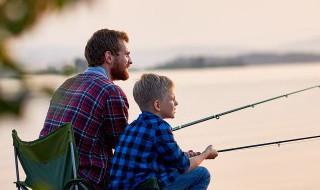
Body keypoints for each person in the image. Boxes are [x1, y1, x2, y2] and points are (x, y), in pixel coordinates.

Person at [39, 29, 132, 189]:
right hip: (85, 183)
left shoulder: (66, 85)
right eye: (126, 54)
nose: (130, 61)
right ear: (109, 57)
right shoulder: (110, 92)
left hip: (51, 180)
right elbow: (125, 150)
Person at [109, 73, 218, 190]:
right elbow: (184, 166)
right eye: (172, 99)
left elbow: (158, 158)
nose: (176, 103)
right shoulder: (160, 127)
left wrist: (185, 155)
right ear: (157, 105)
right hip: (143, 187)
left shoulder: (132, 127)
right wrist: (205, 154)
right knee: (202, 174)